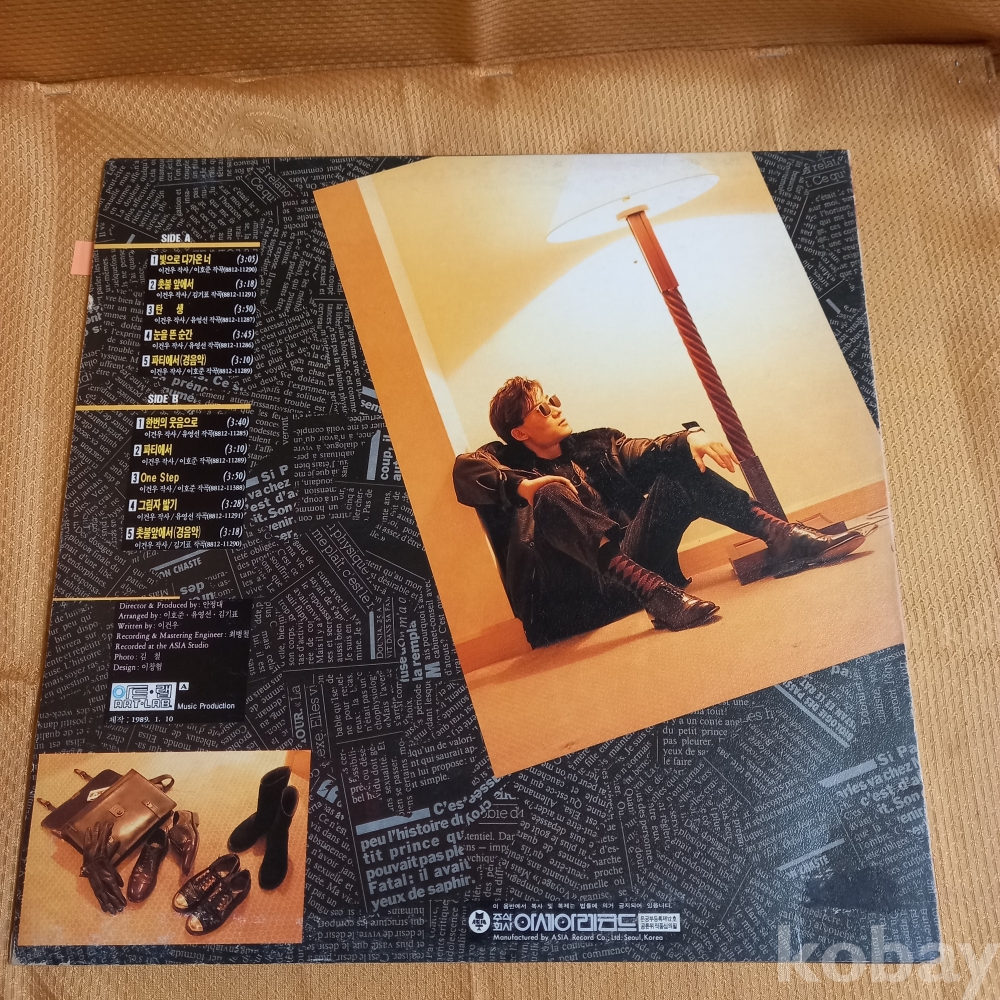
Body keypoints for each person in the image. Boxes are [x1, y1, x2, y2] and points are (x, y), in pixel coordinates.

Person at [453, 376, 865, 648]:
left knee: (680, 469)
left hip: (638, 574)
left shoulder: (596, 445)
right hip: (577, 599)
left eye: (553, 401)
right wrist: (523, 486)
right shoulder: (501, 461)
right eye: (542, 409)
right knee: (549, 493)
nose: (556, 409)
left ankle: (783, 536)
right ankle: (653, 594)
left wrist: (689, 438)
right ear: (519, 432)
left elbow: (644, 450)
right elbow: (465, 471)